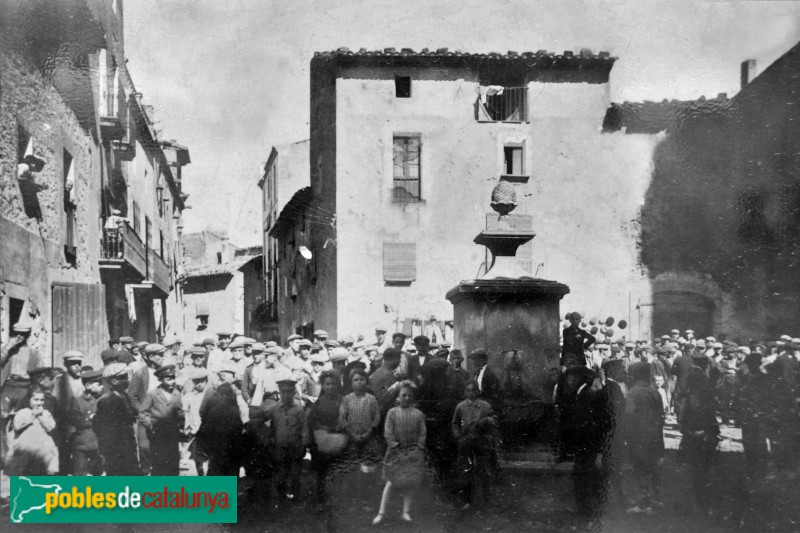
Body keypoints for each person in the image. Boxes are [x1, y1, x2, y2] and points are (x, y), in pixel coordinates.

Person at [373, 381, 427, 525]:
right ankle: (381, 513)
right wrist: (395, 446)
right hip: (396, 453)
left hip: (413, 453)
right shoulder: (392, 413)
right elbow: (388, 432)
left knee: (410, 483)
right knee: (391, 482)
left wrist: (418, 447)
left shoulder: (419, 414)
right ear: (397, 397)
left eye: (410, 395)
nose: (407, 398)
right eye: (404, 395)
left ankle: (405, 512)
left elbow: (422, 433)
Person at [624, 361, 665, 513]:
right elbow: (661, 417)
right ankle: (657, 500)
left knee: (641, 470)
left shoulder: (633, 393)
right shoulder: (655, 391)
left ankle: (644, 504)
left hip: (639, 438)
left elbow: (629, 416)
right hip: (654, 436)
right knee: (653, 469)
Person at [451, 380, 497, 510]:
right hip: (466, 441)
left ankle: (487, 499)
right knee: (466, 470)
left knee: (484, 470)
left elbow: (494, 420)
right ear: (465, 392)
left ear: (478, 391)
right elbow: (454, 423)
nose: (471, 393)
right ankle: (467, 500)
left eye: (473, 390)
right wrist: (458, 436)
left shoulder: (485, 406)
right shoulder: (460, 407)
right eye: (468, 390)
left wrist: (485, 421)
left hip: (481, 441)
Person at [680, 370, 720, 516]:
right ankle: (703, 503)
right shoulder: (700, 397)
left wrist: (694, 432)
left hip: (698, 439)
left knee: (699, 473)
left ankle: (702, 503)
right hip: (701, 438)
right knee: (703, 472)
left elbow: (683, 422)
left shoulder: (695, 398)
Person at [266, 379, 309, 500]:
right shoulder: (275, 409)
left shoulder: (299, 409)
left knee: (295, 473)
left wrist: (304, 444)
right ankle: (281, 495)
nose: (286, 395)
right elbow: (270, 425)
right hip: (280, 446)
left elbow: (304, 427)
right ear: (279, 392)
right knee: (281, 472)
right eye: (283, 392)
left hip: (295, 446)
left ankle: (295, 494)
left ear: (293, 392)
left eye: (289, 392)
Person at [94, 363, 140, 475]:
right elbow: (105, 430)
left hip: (127, 446)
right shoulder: (107, 401)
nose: (128, 379)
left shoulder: (124, 396)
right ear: (114, 381)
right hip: (116, 451)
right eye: (125, 377)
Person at [1, 323, 37, 465]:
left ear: (27, 336)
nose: (20, 337)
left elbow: (38, 372)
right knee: (1, 420)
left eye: (23, 334)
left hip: (24, 387)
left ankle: (21, 457)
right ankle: (4, 458)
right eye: (17, 333)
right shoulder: (6, 350)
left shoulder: (33, 352)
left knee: (22, 420)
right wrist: (8, 347)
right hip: (7, 387)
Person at [307, 371, 345, 504]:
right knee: (321, 472)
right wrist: (323, 428)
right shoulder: (319, 402)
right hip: (322, 440)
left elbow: (347, 418)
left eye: (334, 384)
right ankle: (320, 499)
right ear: (323, 386)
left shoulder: (343, 400)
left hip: (339, 439)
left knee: (338, 470)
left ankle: (338, 498)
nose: (331, 387)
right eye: (327, 384)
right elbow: (312, 421)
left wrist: (339, 427)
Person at [139, 364, 184, 476]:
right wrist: (151, 426)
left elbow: (179, 411)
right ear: (160, 379)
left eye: (173, 378)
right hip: (157, 431)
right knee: (159, 459)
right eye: (168, 379)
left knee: (173, 458)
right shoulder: (152, 393)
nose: (172, 382)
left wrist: (181, 425)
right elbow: (143, 412)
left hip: (172, 431)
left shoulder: (176, 394)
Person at [5, 386, 59, 475]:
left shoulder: (46, 413)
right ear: (29, 400)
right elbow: (17, 426)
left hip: (42, 450)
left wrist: (40, 416)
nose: (39, 403)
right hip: (26, 448)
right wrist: (32, 417)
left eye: (42, 400)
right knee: (25, 472)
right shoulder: (23, 412)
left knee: (41, 473)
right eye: (36, 400)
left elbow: (50, 427)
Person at [196, 382, 243, 476]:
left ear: (231, 396)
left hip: (231, 450)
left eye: (227, 395)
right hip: (217, 450)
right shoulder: (213, 412)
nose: (224, 397)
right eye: (222, 394)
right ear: (217, 396)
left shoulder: (235, 411)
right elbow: (206, 432)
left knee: (230, 475)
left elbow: (238, 431)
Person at [339, 369, 381, 470]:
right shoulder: (346, 399)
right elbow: (342, 419)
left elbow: (376, 418)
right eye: (356, 380)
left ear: (366, 381)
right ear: (351, 383)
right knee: (353, 465)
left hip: (368, 437)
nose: (359, 382)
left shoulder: (371, 399)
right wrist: (353, 435)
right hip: (352, 437)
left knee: (368, 465)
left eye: (362, 379)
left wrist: (368, 433)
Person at [66, 368, 104, 476]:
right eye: (99, 384)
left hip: (98, 443)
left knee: (98, 472)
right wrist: (90, 418)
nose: (102, 386)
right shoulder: (77, 401)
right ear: (88, 386)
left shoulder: (102, 399)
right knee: (79, 472)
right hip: (82, 443)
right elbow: (73, 418)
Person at [182, 367, 209, 476]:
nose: (198, 384)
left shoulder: (211, 394)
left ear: (206, 381)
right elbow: (184, 412)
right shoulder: (189, 396)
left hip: (209, 431)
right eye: (196, 381)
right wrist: (187, 427)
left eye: (201, 381)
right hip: (195, 431)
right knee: (197, 458)